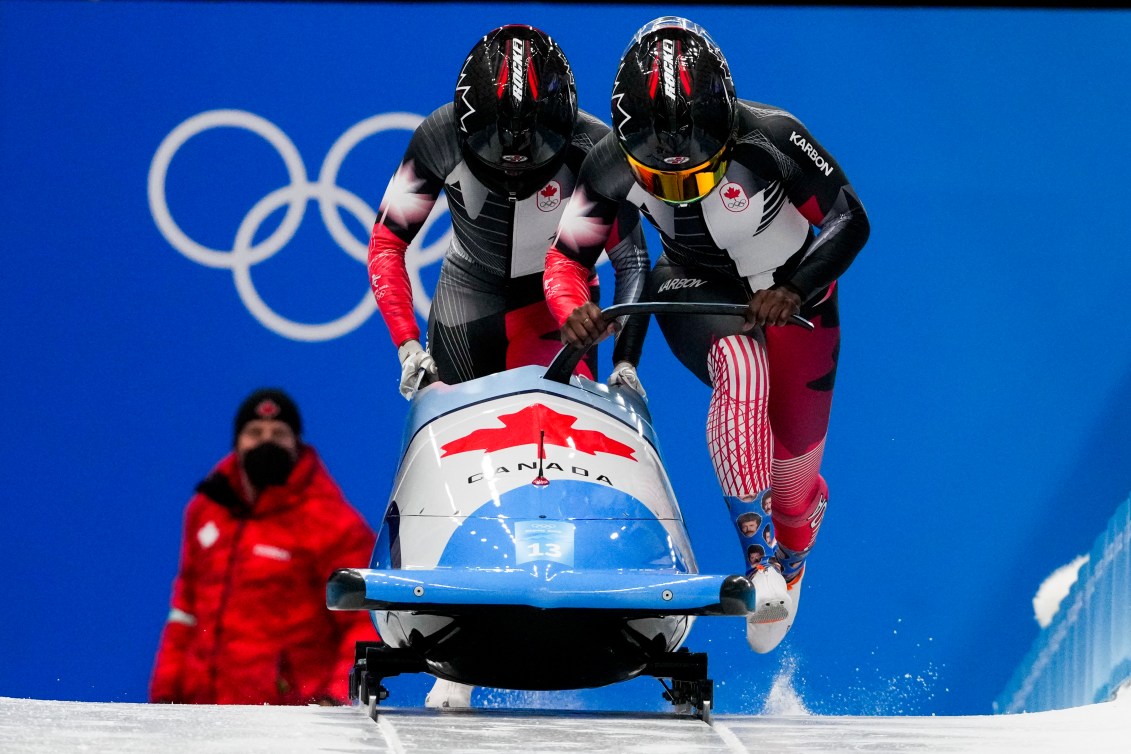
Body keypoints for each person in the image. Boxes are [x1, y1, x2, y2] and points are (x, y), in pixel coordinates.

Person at [544, 17, 870, 654]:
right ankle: (760, 561)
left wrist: (796, 288)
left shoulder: (773, 135)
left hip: (799, 301)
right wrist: (570, 307)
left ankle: (792, 547)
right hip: (694, 287)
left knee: (794, 489)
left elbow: (849, 219)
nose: (677, 183)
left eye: (696, 171)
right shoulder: (609, 161)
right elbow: (567, 259)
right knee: (740, 371)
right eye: (660, 178)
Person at [366, 24, 649, 403]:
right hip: (465, 307)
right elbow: (387, 243)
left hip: (554, 311)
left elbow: (630, 259)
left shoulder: (592, 147)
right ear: (468, 125)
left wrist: (625, 362)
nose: (513, 165)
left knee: (558, 433)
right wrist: (407, 345)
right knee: (463, 451)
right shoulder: (439, 136)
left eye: (538, 145)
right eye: (493, 144)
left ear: (562, 127)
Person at [150, 388, 379, 705]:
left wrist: (338, 698)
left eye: (279, 432)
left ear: (296, 444)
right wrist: (165, 694)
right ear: (237, 443)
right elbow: (185, 610)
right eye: (255, 432)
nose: (266, 441)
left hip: (288, 722)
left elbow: (364, 619)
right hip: (200, 714)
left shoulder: (334, 523)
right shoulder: (205, 509)